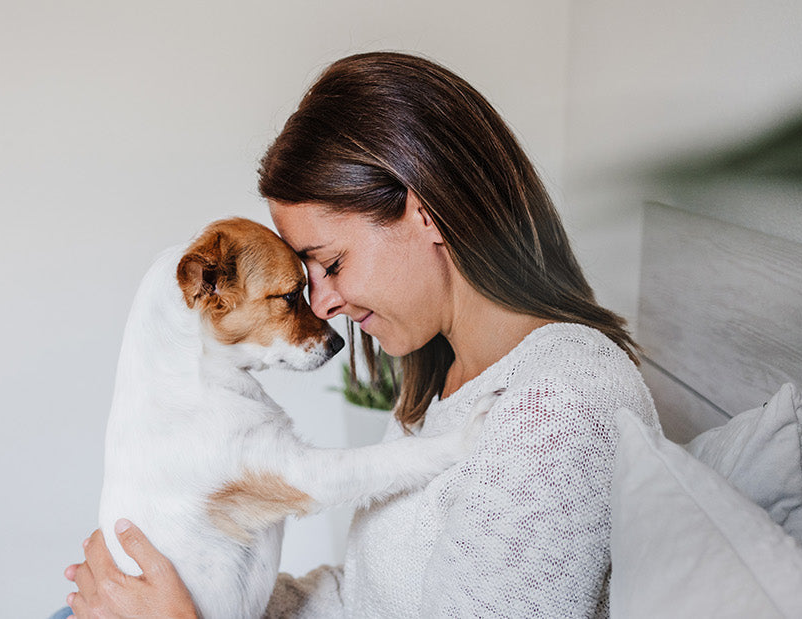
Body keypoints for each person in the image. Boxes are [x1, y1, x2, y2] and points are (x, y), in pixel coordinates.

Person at [62, 51, 660, 618]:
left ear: (425, 212)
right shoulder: (442, 376)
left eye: (333, 264)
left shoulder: (560, 408)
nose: (320, 304)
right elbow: (369, 598)